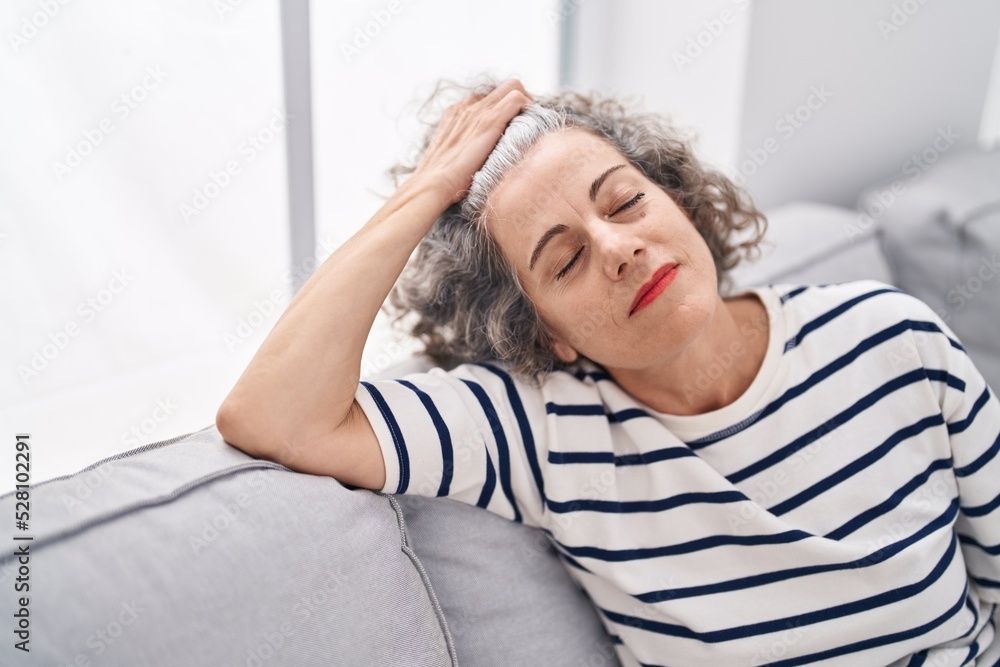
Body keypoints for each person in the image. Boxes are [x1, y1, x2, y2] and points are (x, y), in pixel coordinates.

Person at [216, 77, 1000, 666]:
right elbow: (275, 414)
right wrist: (428, 190)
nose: (620, 248)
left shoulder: (892, 338)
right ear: (545, 333)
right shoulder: (545, 433)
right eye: (566, 260)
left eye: (625, 202)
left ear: (679, 199)